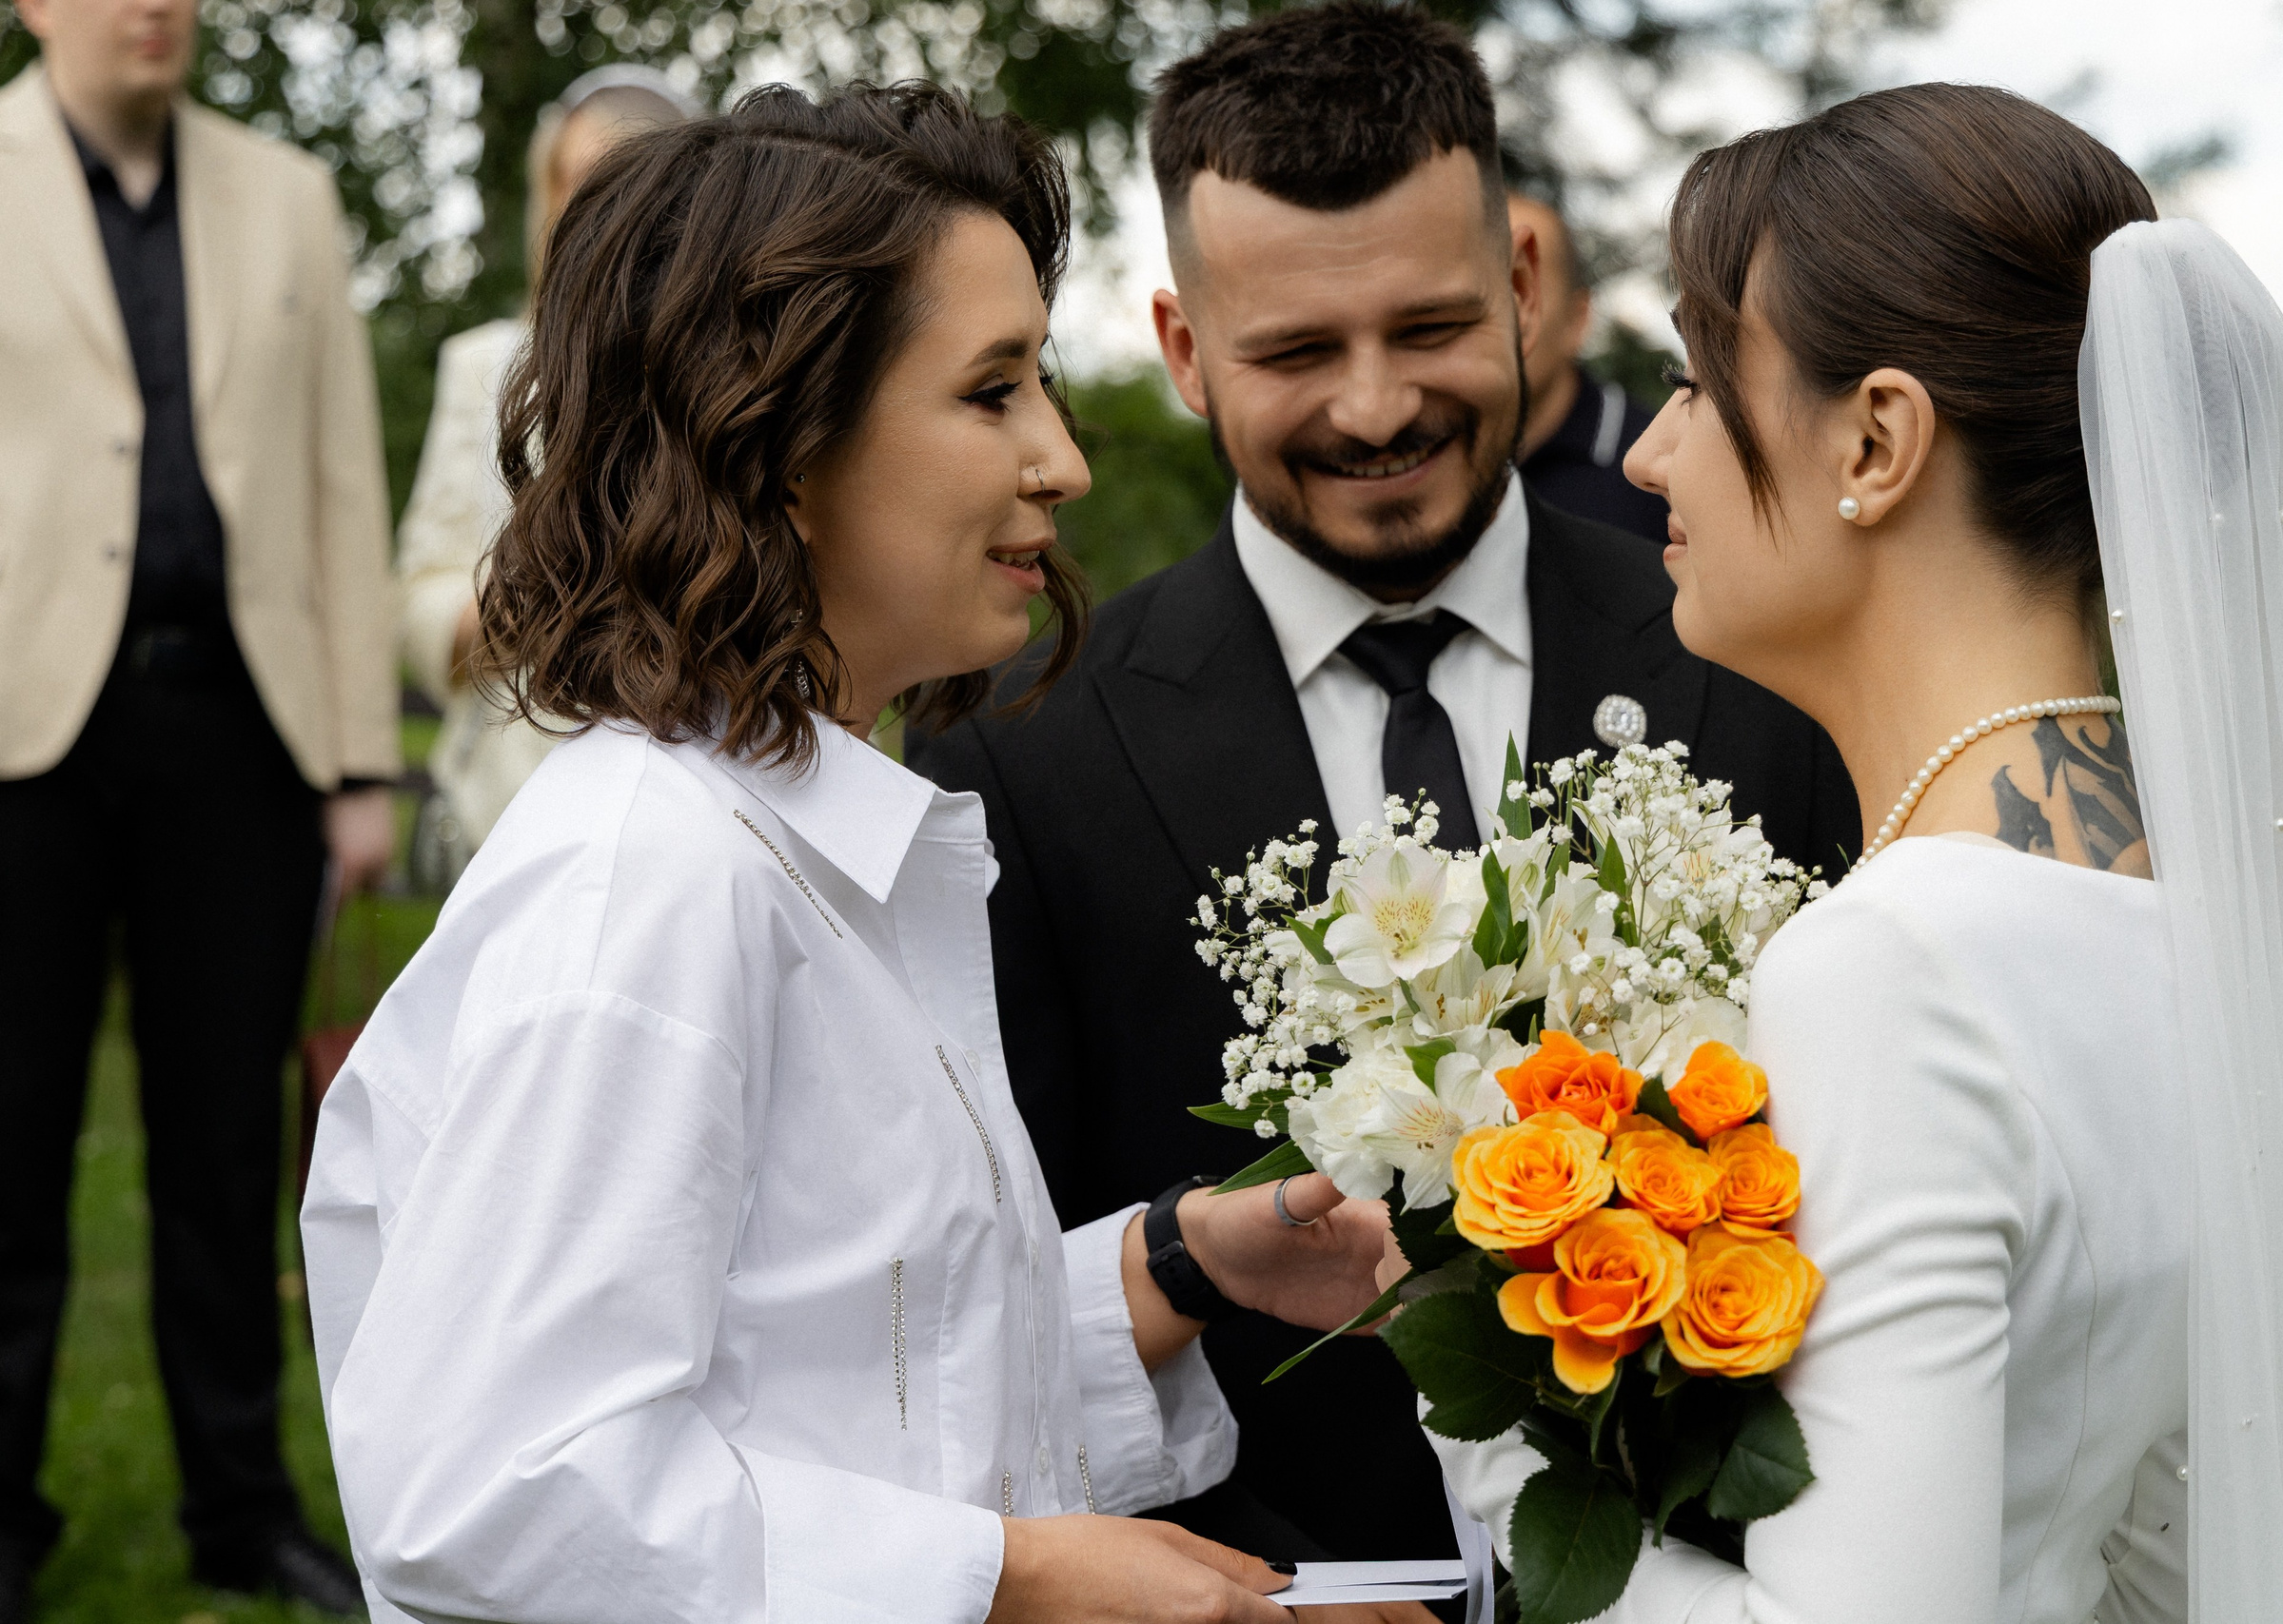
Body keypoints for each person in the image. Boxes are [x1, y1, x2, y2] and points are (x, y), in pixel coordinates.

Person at [303, 82, 1403, 1624]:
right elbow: (499, 1487)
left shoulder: (806, 840)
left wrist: (1172, 1265)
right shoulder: (649, 884)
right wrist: (1017, 1578)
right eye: (992, 390)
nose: (1063, 459)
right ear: (778, 440)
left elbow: (849, 1373)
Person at [1431, 83, 2283, 1620]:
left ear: (1879, 438)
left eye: (1698, 379)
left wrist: (1479, 1426)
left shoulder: (1896, 965)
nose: (1652, 455)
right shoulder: (2201, 904)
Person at [906, 0, 1860, 1575]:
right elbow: (998, 1290)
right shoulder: (1018, 747)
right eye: (1296, 351)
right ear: (1184, 351)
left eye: (1428, 329)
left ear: (1525, 286)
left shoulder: (1766, 662)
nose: (1375, 408)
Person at [0, 0, 394, 1611]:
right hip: (21, 739)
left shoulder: (289, 195)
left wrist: (359, 759)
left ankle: (241, 1508)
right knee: (8, 1141)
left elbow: (341, 480)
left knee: (227, 1153)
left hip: (244, 734)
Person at [394, 67, 696, 879]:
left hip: (688, 812)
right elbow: (419, 595)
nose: (586, 205)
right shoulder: (483, 368)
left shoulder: (737, 376)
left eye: (617, 177)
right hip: (510, 811)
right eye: (570, 179)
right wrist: (522, 602)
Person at [1506, 188, 1671, 540]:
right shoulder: (1424, 460)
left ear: (1577, 320)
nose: (1498, 314)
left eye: (1520, 288)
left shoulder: (1656, 472)